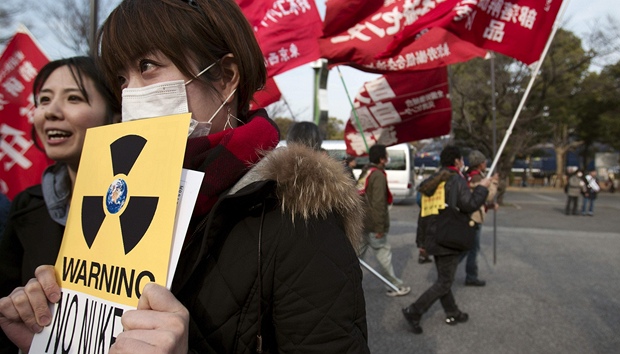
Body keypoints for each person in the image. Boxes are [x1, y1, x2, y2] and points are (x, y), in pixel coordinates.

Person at [0, 1, 369, 353]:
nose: (130, 92)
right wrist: (51, 336)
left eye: (147, 66)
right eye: (120, 78)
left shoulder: (299, 218)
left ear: (225, 77)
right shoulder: (117, 192)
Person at [0, 56, 121, 352]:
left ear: (115, 115)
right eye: (43, 100)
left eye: (73, 98)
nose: (50, 112)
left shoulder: (155, 201)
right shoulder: (27, 207)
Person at [402, 145, 490, 334]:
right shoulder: (455, 180)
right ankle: (414, 310)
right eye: (461, 160)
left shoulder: (432, 180)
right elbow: (469, 204)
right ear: (457, 161)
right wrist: (482, 189)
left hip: (433, 236)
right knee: (444, 282)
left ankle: (452, 312)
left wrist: (422, 242)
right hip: (449, 236)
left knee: (444, 278)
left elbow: (423, 214)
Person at [357, 144, 411, 297]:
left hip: (362, 222)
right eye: (386, 156)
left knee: (355, 258)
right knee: (383, 255)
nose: (388, 159)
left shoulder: (366, 172)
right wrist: (380, 228)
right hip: (374, 224)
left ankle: (344, 284)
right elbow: (379, 203)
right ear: (382, 159)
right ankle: (395, 286)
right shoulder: (378, 175)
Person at [460, 150, 499, 287]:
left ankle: (454, 269)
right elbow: (485, 195)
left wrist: (490, 206)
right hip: (474, 217)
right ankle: (469, 275)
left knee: (469, 247)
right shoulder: (477, 178)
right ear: (479, 164)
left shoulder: (471, 176)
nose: (485, 163)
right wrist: (493, 183)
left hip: (471, 214)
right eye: (483, 161)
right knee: (471, 248)